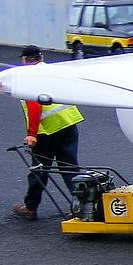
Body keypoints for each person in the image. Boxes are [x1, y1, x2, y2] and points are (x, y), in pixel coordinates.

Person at [11, 45, 84, 221]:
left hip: (48, 130)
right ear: (41, 56)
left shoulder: (28, 77)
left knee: (39, 169)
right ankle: (83, 207)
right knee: (69, 168)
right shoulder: (52, 71)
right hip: (68, 122)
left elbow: (34, 107)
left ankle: (30, 207)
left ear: (25, 60)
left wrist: (31, 134)